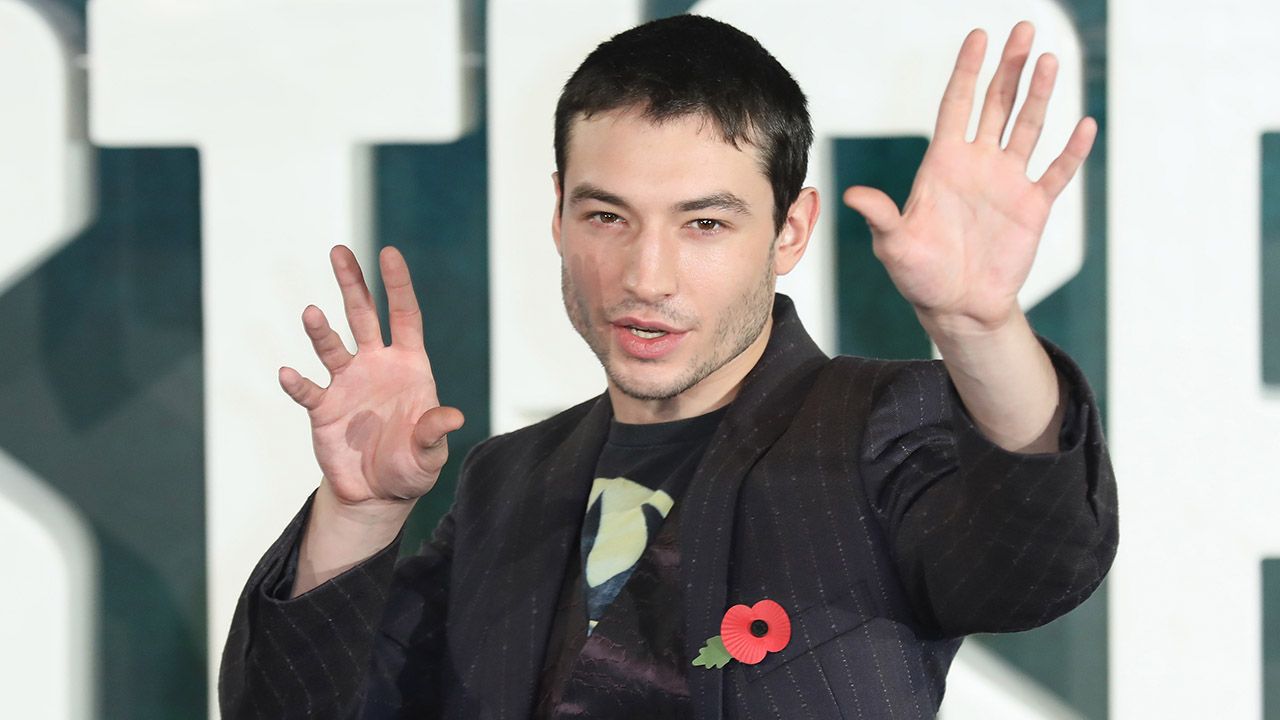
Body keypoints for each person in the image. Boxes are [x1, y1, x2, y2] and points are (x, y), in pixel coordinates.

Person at [219, 14, 1117, 719]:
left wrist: (979, 328)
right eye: (607, 217)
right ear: (558, 216)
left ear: (791, 230)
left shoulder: (878, 426)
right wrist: (359, 515)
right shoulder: (507, 481)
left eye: (705, 224)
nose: (646, 277)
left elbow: (1038, 561)